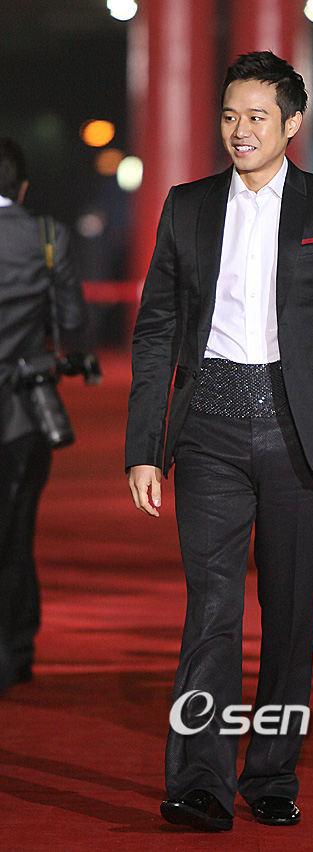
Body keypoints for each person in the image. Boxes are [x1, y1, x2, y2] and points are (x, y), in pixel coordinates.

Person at [126, 51, 313, 831]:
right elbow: (156, 328)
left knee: (290, 610)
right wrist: (145, 447)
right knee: (210, 609)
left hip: (298, 428)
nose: (240, 130)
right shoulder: (187, 206)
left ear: (292, 124)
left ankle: (272, 772)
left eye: (257, 117)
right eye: (230, 115)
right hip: (207, 426)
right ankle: (200, 781)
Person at [0, 136, 87, 694]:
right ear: (23, 186)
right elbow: (72, 320)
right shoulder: (47, 236)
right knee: (16, 535)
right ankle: (14, 653)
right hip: (23, 412)